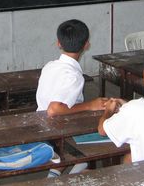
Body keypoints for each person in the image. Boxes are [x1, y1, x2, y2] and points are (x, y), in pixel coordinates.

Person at [35, 19, 108, 177]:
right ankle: (65, 185)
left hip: (41, 124)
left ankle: (53, 177)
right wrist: (90, 105)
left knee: (75, 149)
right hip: (55, 129)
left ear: (58, 43)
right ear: (86, 45)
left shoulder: (50, 66)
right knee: (93, 149)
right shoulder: (73, 76)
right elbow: (54, 109)